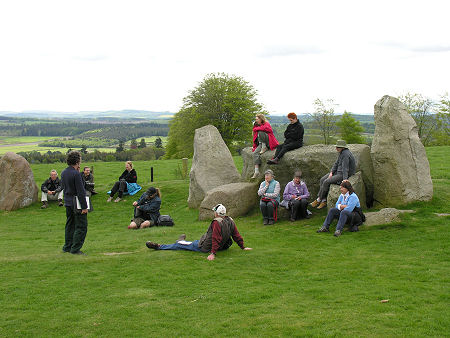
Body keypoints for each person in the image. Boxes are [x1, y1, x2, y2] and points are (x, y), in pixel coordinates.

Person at [145, 204, 252, 260]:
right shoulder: (230, 220)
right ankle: (181, 241)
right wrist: (242, 247)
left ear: (217, 213)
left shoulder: (216, 222)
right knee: (192, 242)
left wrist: (212, 254)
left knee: (183, 246)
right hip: (221, 246)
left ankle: (160, 246)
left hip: (206, 247)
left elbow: (216, 238)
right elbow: (236, 235)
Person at [310, 140, 356, 209]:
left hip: (342, 174)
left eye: (338, 147)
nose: (336, 148)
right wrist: (331, 172)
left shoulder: (346, 154)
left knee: (326, 182)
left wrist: (345, 180)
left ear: (342, 147)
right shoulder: (341, 153)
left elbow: (345, 168)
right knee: (322, 179)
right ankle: (324, 200)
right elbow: (336, 164)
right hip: (337, 171)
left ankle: (319, 199)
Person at [61, 151, 88, 255]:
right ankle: (75, 249)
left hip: (67, 202)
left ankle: (67, 246)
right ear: (77, 161)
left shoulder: (64, 172)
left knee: (70, 225)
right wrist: (84, 207)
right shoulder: (76, 174)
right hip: (76, 203)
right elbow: (81, 191)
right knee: (81, 226)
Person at [251, 113, 279, 179]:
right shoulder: (256, 126)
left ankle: (265, 147)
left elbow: (268, 129)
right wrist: (254, 146)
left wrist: (257, 129)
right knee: (255, 153)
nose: (256, 120)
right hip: (261, 144)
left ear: (261, 119)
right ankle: (256, 171)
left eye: (257, 119)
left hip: (269, 142)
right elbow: (255, 138)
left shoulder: (266, 124)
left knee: (261, 132)